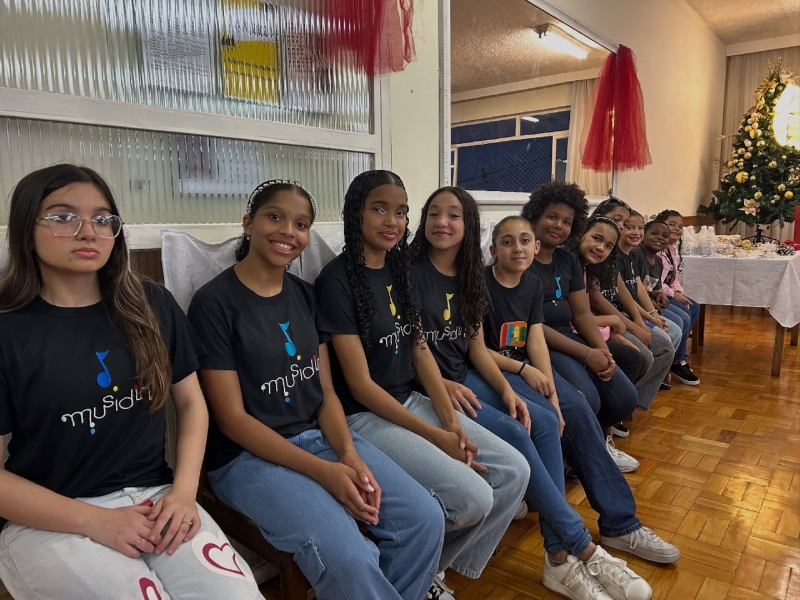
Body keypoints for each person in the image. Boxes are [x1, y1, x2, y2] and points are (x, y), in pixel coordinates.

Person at [0, 164, 261, 600]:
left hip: (156, 495)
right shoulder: (8, 330)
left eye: (103, 219)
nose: (89, 231)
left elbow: (192, 404)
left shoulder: (150, 304)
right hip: (48, 516)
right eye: (63, 217)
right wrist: (96, 521)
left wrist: (184, 493)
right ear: (27, 229)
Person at [188, 180, 445, 600]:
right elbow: (232, 421)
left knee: (424, 519)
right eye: (275, 217)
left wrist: (348, 454)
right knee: (351, 556)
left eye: (301, 224)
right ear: (248, 223)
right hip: (246, 459)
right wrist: (324, 471)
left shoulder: (306, 296)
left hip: (319, 438)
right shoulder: (214, 304)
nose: (288, 231)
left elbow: (324, 391)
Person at [409, 190, 653, 600]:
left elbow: (476, 346)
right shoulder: (412, 274)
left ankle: (561, 552)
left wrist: (513, 388)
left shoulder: (468, 274)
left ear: (468, 226)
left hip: (471, 371)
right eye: (435, 213)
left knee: (547, 415)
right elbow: (412, 348)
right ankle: (575, 547)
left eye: (455, 215)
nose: (444, 222)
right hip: (441, 382)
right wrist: (510, 377)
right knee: (526, 424)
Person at [315, 171, 529, 596]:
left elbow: (420, 349)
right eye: (379, 209)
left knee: (512, 472)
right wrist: (436, 436)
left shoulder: (399, 269)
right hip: (364, 417)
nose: (391, 221)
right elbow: (359, 386)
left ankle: (431, 570)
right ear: (356, 212)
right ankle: (417, 575)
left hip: (409, 399)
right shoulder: (336, 281)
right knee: (473, 498)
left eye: (400, 212)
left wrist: (450, 422)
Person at [521, 182, 639, 471]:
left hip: (568, 335)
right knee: (589, 398)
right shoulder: (522, 258)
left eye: (566, 221)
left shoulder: (568, 260)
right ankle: (578, 454)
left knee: (625, 398)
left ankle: (588, 444)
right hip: (540, 342)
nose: (558, 225)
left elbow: (583, 314)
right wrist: (587, 354)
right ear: (535, 216)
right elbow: (532, 327)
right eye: (551, 217)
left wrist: (602, 352)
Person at [581, 202, 675, 416]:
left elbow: (624, 289)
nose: (621, 227)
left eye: (624, 223)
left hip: (609, 319)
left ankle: (630, 404)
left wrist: (641, 320)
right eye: (617, 220)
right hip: (599, 321)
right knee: (641, 355)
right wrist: (626, 327)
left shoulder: (611, 254)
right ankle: (620, 406)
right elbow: (593, 303)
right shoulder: (585, 258)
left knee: (665, 346)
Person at [617, 210, 683, 391]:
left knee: (674, 329)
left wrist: (652, 313)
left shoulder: (630, 257)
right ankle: (636, 390)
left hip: (633, 311)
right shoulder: (624, 256)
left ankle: (651, 380)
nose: (635, 232)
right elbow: (623, 297)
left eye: (639, 228)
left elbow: (639, 286)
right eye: (629, 227)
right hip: (623, 314)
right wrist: (646, 317)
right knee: (668, 337)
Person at [631, 220, 699, 386]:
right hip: (638, 305)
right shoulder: (636, 255)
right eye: (654, 233)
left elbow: (652, 286)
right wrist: (651, 306)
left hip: (650, 302)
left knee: (687, 313)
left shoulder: (658, 261)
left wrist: (658, 293)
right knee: (675, 327)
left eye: (664, 236)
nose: (659, 238)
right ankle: (659, 370)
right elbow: (633, 288)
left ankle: (665, 366)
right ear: (644, 235)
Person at [654, 210, 702, 385]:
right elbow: (655, 281)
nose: (676, 229)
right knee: (683, 316)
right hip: (656, 294)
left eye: (680, 226)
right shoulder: (656, 249)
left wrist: (679, 292)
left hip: (667, 291)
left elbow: (673, 278)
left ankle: (678, 355)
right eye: (672, 224)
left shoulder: (671, 249)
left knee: (694, 307)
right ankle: (676, 360)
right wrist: (674, 295)